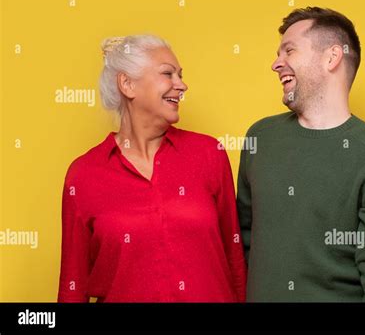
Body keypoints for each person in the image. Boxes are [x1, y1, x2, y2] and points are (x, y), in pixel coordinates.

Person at [237, 7, 365, 302]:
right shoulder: (261, 139)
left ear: (332, 57)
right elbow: (243, 241)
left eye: (289, 51)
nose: (275, 64)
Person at [58, 35, 246, 302]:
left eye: (180, 75)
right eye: (168, 74)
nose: (182, 85)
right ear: (127, 84)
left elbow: (234, 259)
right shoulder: (84, 175)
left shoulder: (207, 154)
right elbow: (72, 285)